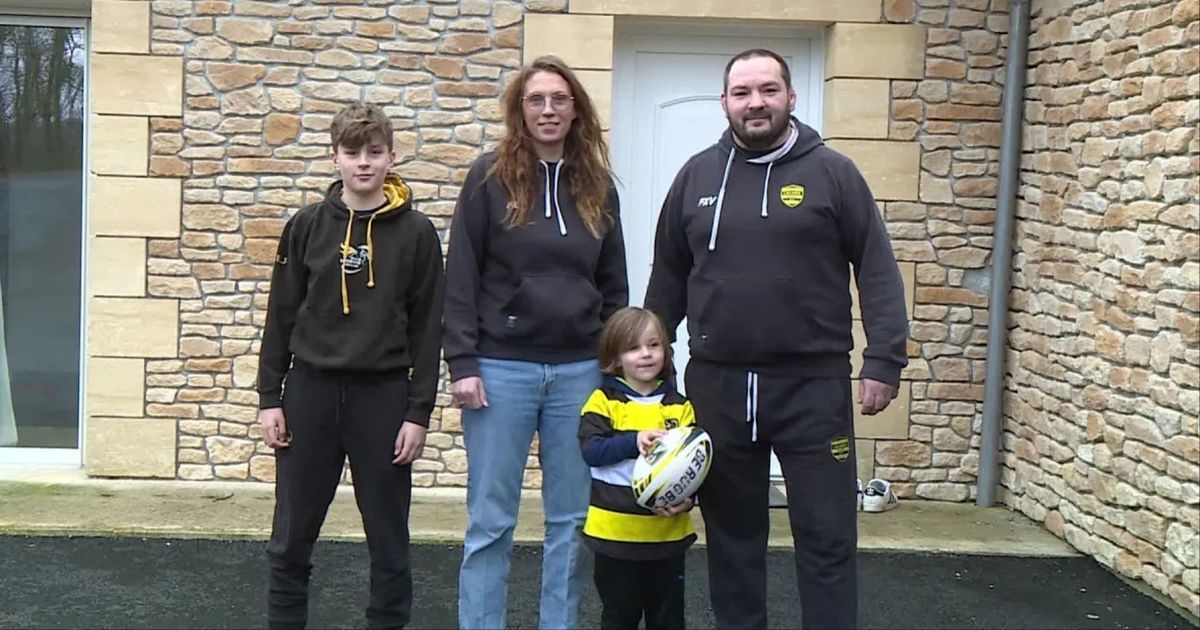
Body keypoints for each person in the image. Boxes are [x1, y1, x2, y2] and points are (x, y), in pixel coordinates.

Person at [644, 49, 909, 629]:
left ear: (791, 98)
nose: (754, 103)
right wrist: (653, 375)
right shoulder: (696, 176)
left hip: (811, 388)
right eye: (742, 92)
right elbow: (666, 281)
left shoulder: (834, 173)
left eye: (768, 90)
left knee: (828, 535)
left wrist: (884, 359)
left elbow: (877, 268)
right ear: (725, 103)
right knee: (734, 541)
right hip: (719, 384)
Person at [443, 55, 629, 629]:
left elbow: (614, 286)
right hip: (501, 371)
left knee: (571, 521)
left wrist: (614, 371)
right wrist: (463, 363)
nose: (548, 109)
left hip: (578, 372)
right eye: (536, 100)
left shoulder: (598, 187)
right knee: (490, 521)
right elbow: (462, 276)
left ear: (576, 110)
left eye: (560, 99)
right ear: (520, 111)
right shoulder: (488, 178)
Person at [256, 102, 445, 630]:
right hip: (309, 394)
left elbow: (428, 329)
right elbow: (281, 314)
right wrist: (270, 397)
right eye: (352, 152)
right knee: (291, 538)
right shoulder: (306, 227)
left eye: (375, 152)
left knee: (388, 540)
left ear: (391, 156)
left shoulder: (418, 235)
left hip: (382, 399)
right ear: (334, 157)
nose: (364, 163)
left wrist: (418, 413)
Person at [578, 306, 697, 630]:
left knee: (669, 620)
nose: (645, 354)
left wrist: (689, 498)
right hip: (614, 536)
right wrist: (634, 441)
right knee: (619, 618)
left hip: (667, 538)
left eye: (654, 344)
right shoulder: (603, 401)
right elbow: (591, 450)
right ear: (615, 356)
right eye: (633, 348)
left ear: (666, 350)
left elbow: (695, 465)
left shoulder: (679, 406)